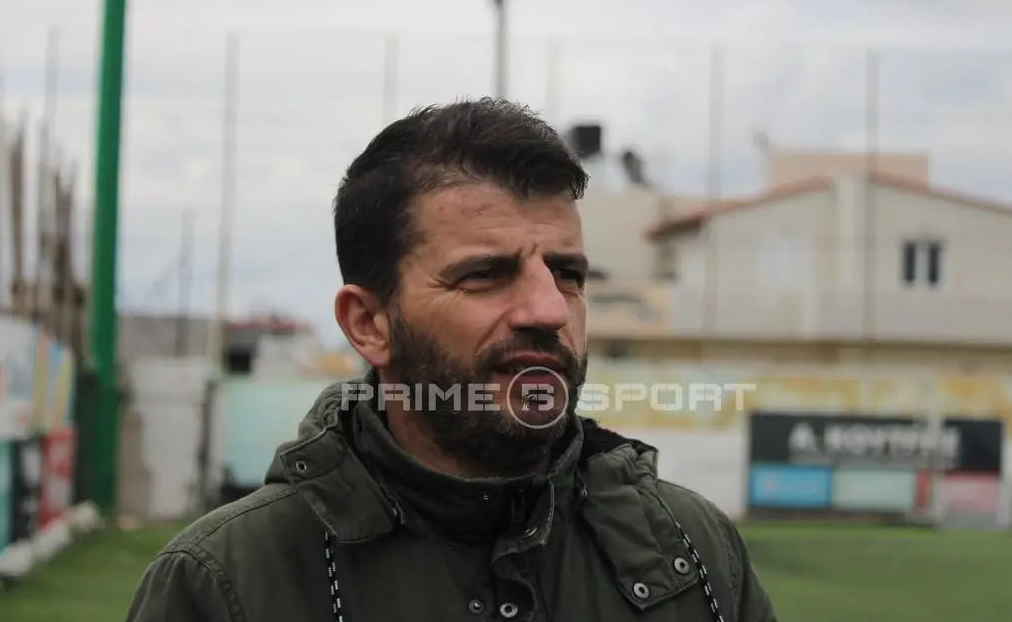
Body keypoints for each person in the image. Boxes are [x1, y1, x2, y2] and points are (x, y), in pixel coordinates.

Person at [125, 98, 779, 621]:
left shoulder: (696, 550)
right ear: (369, 324)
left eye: (567, 273)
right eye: (486, 274)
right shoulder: (223, 585)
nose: (549, 309)